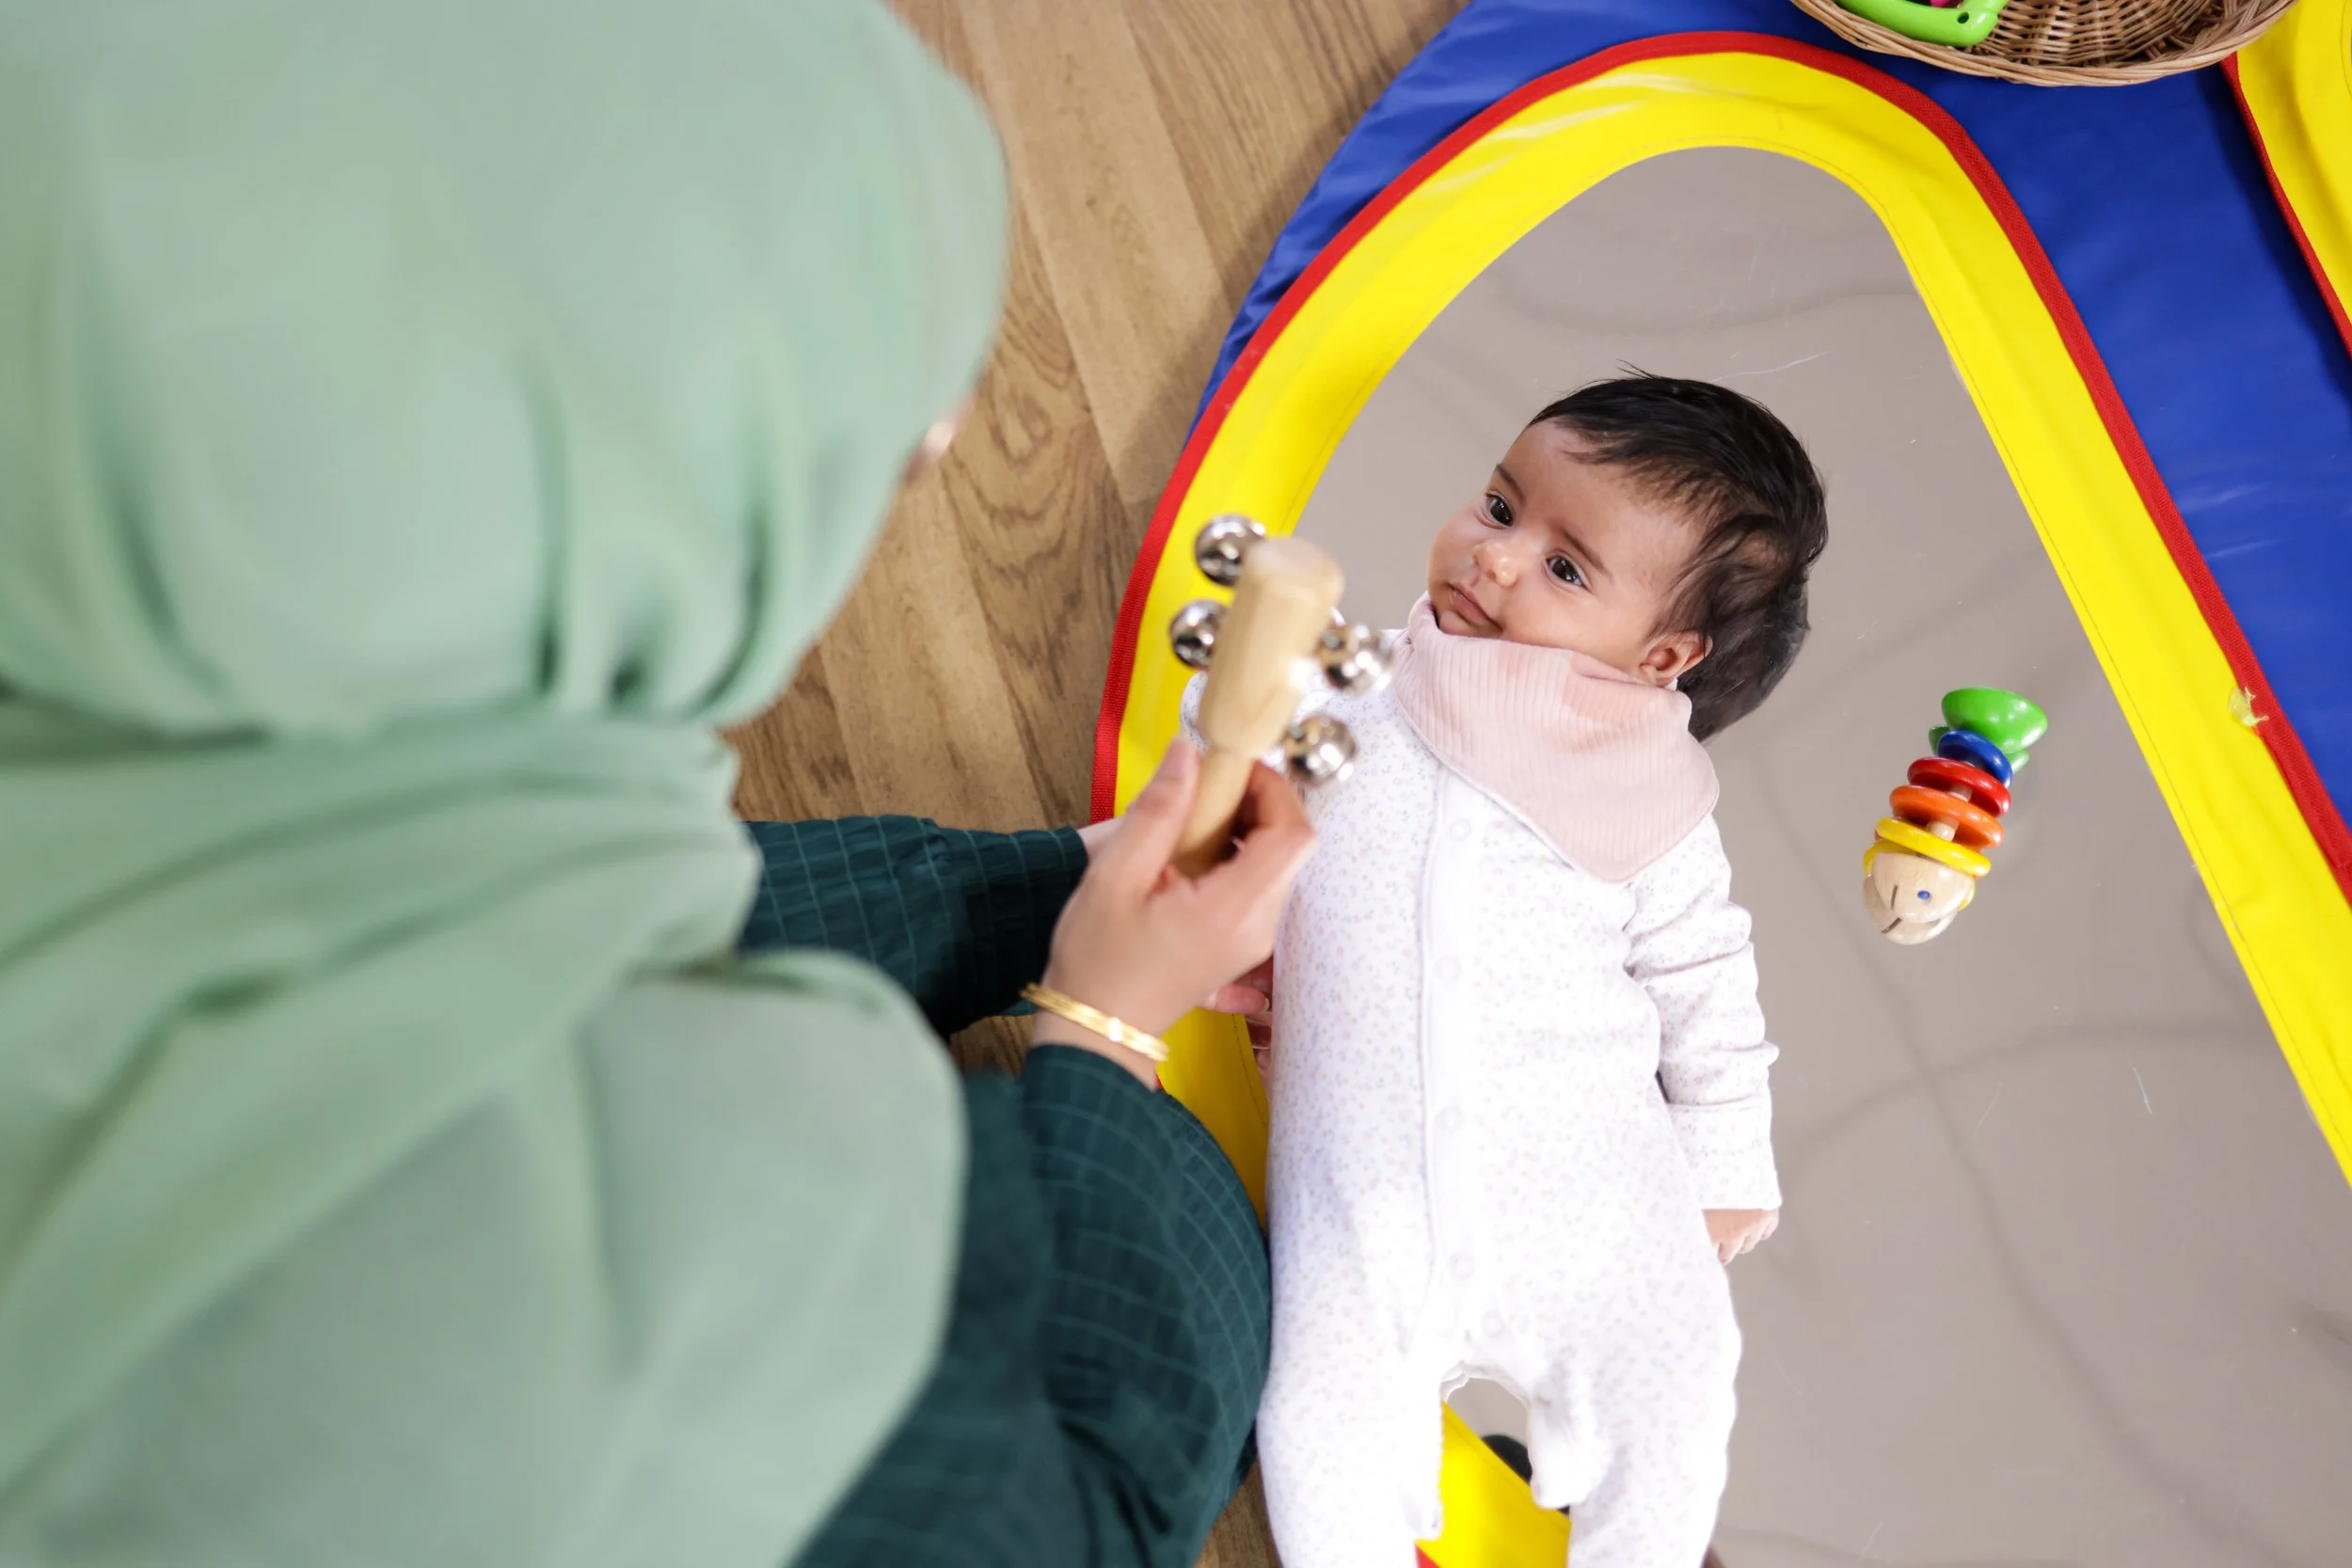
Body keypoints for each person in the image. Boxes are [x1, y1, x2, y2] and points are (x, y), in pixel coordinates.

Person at [0, 5, 1309, 1568]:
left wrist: (1054, 888)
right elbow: (1089, 1504)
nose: (938, 441)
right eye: (897, 426)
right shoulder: (649, 1268)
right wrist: (1105, 1050)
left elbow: (516, 894)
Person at [1223, 377, 1827, 1567]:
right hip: (1365, 1200)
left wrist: (1721, 1160)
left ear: (1662, 656)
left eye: (1565, 569)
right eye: (1501, 506)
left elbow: (1705, 978)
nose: (1495, 558)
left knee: (1679, 1381)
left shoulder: (1647, 796)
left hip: (1586, 1199)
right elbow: (1227, 752)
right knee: (1316, 1425)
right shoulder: (1356, 691)